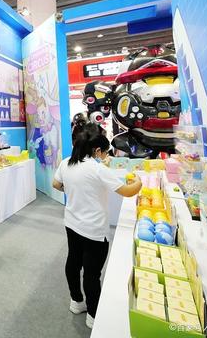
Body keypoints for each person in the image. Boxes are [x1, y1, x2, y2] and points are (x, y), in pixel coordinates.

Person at [52, 127, 141, 330]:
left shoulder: (67, 163)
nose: (105, 156)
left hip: (72, 224)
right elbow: (128, 191)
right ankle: (93, 314)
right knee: (92, 274)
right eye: (105, 152)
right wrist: (139, 181)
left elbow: (56, 184)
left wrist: (73, 191)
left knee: (73, 262)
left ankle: (76, 301)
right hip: (94, 230)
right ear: (97, 150)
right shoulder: (98, 170)